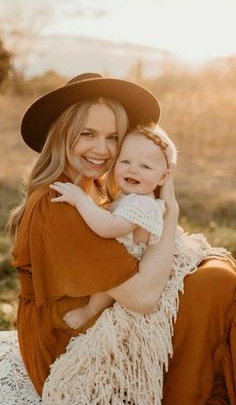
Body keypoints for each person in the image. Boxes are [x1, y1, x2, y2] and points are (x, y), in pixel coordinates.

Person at [0, 72, 234, 405]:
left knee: (216, 277)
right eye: (88, 134)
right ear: (62, 135)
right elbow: (142, 298)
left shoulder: (94, 186)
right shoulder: (58, 204)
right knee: (214, 287)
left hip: (98, 311)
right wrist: (171, 212)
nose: (103, 149)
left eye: (113, 137)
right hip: (67, 339)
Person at [49, 124, 178, 331]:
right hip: (116, 257)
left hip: (127, 265)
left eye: (145, 166)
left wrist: (80, 200)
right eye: (125, 161)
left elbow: (110, 228)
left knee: (106, 286)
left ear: (163, 177)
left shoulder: (142, 204)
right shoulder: (131, 196)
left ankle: (90, 311)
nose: (132, 169)